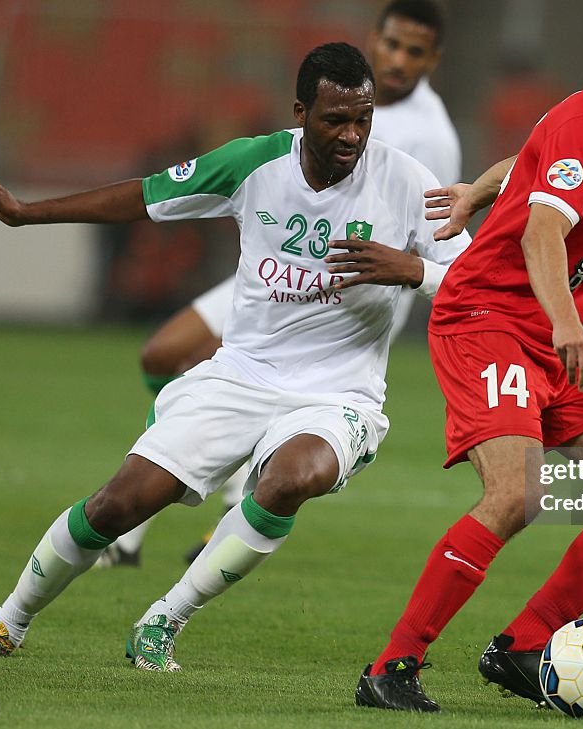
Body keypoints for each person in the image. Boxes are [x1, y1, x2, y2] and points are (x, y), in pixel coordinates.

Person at [0, 42, 471, 672]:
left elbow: (478, 276)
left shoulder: (408, 182)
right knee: (118, 504)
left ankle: (164, 620)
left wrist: (412, 270)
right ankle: (7, 622)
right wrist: (27, 214)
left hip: (339, 394)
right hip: (240, 376)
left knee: (290, 480)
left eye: (363, 119)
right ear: (300, 112)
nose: (352, 135)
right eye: (335, 119)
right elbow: (144, 197)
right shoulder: (253, 164)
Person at [354, 1, 583, 712]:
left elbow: (536, 157)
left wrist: (478, 190)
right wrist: (565, 323)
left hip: (549, 336)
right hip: (488, 321)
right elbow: (541, 233)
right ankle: (390, 667)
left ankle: (524, 645)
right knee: (517, 494)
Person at [102, 0, 461, 567]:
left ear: (433, 60)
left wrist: (402, 282)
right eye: (392, 45)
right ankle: (184, 495)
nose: (398, 60)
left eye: (414, 52)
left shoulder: (431, 137)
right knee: (164, 355)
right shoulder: (338, 85)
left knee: (231, 377)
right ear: (374, 39)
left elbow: (432, 237)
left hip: (344, 289)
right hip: (280, 264)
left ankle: (164, 525)